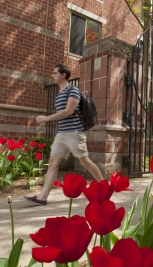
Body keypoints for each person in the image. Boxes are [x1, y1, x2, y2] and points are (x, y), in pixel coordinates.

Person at [24, 64, 103, 205]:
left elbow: (69, 111)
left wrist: (46, 118)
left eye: (55, 73)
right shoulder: (59, 94)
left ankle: (103, 186)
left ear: (63, 75)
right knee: (53, 163)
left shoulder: (72, 91)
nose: (52, 75)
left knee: (84, 161)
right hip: (62, 134)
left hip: (74, 133)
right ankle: (42, 197)